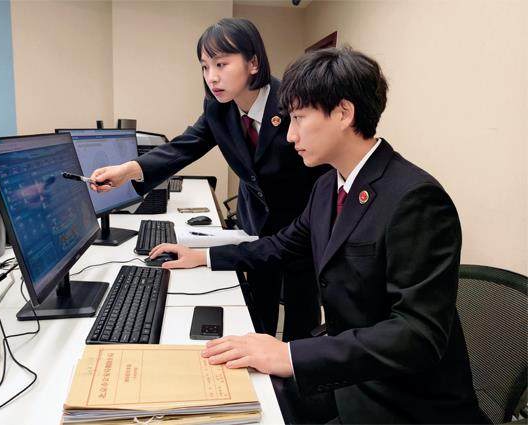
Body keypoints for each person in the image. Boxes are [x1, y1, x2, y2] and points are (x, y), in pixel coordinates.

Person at [147, 47, 488, 424]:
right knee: (238, 396)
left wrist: (290, 354)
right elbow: (282, 245)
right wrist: (205, 256)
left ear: (343, 113)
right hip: (350, 375)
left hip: (404, 401)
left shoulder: (415, 199)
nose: (290, 135)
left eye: (298, 118)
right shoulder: (327, 186)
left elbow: (418, 335)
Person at [90, 18, 328, 341]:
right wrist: (128, 170)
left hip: (299, 226)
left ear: (253, 63)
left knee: (301, 321)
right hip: (255, 223)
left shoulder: (291, 102)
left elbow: (322, 171)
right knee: (259, 312)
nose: (211, 77)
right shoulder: (219, 108)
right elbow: (184, 147)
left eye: (221, 64)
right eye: (205, 66)